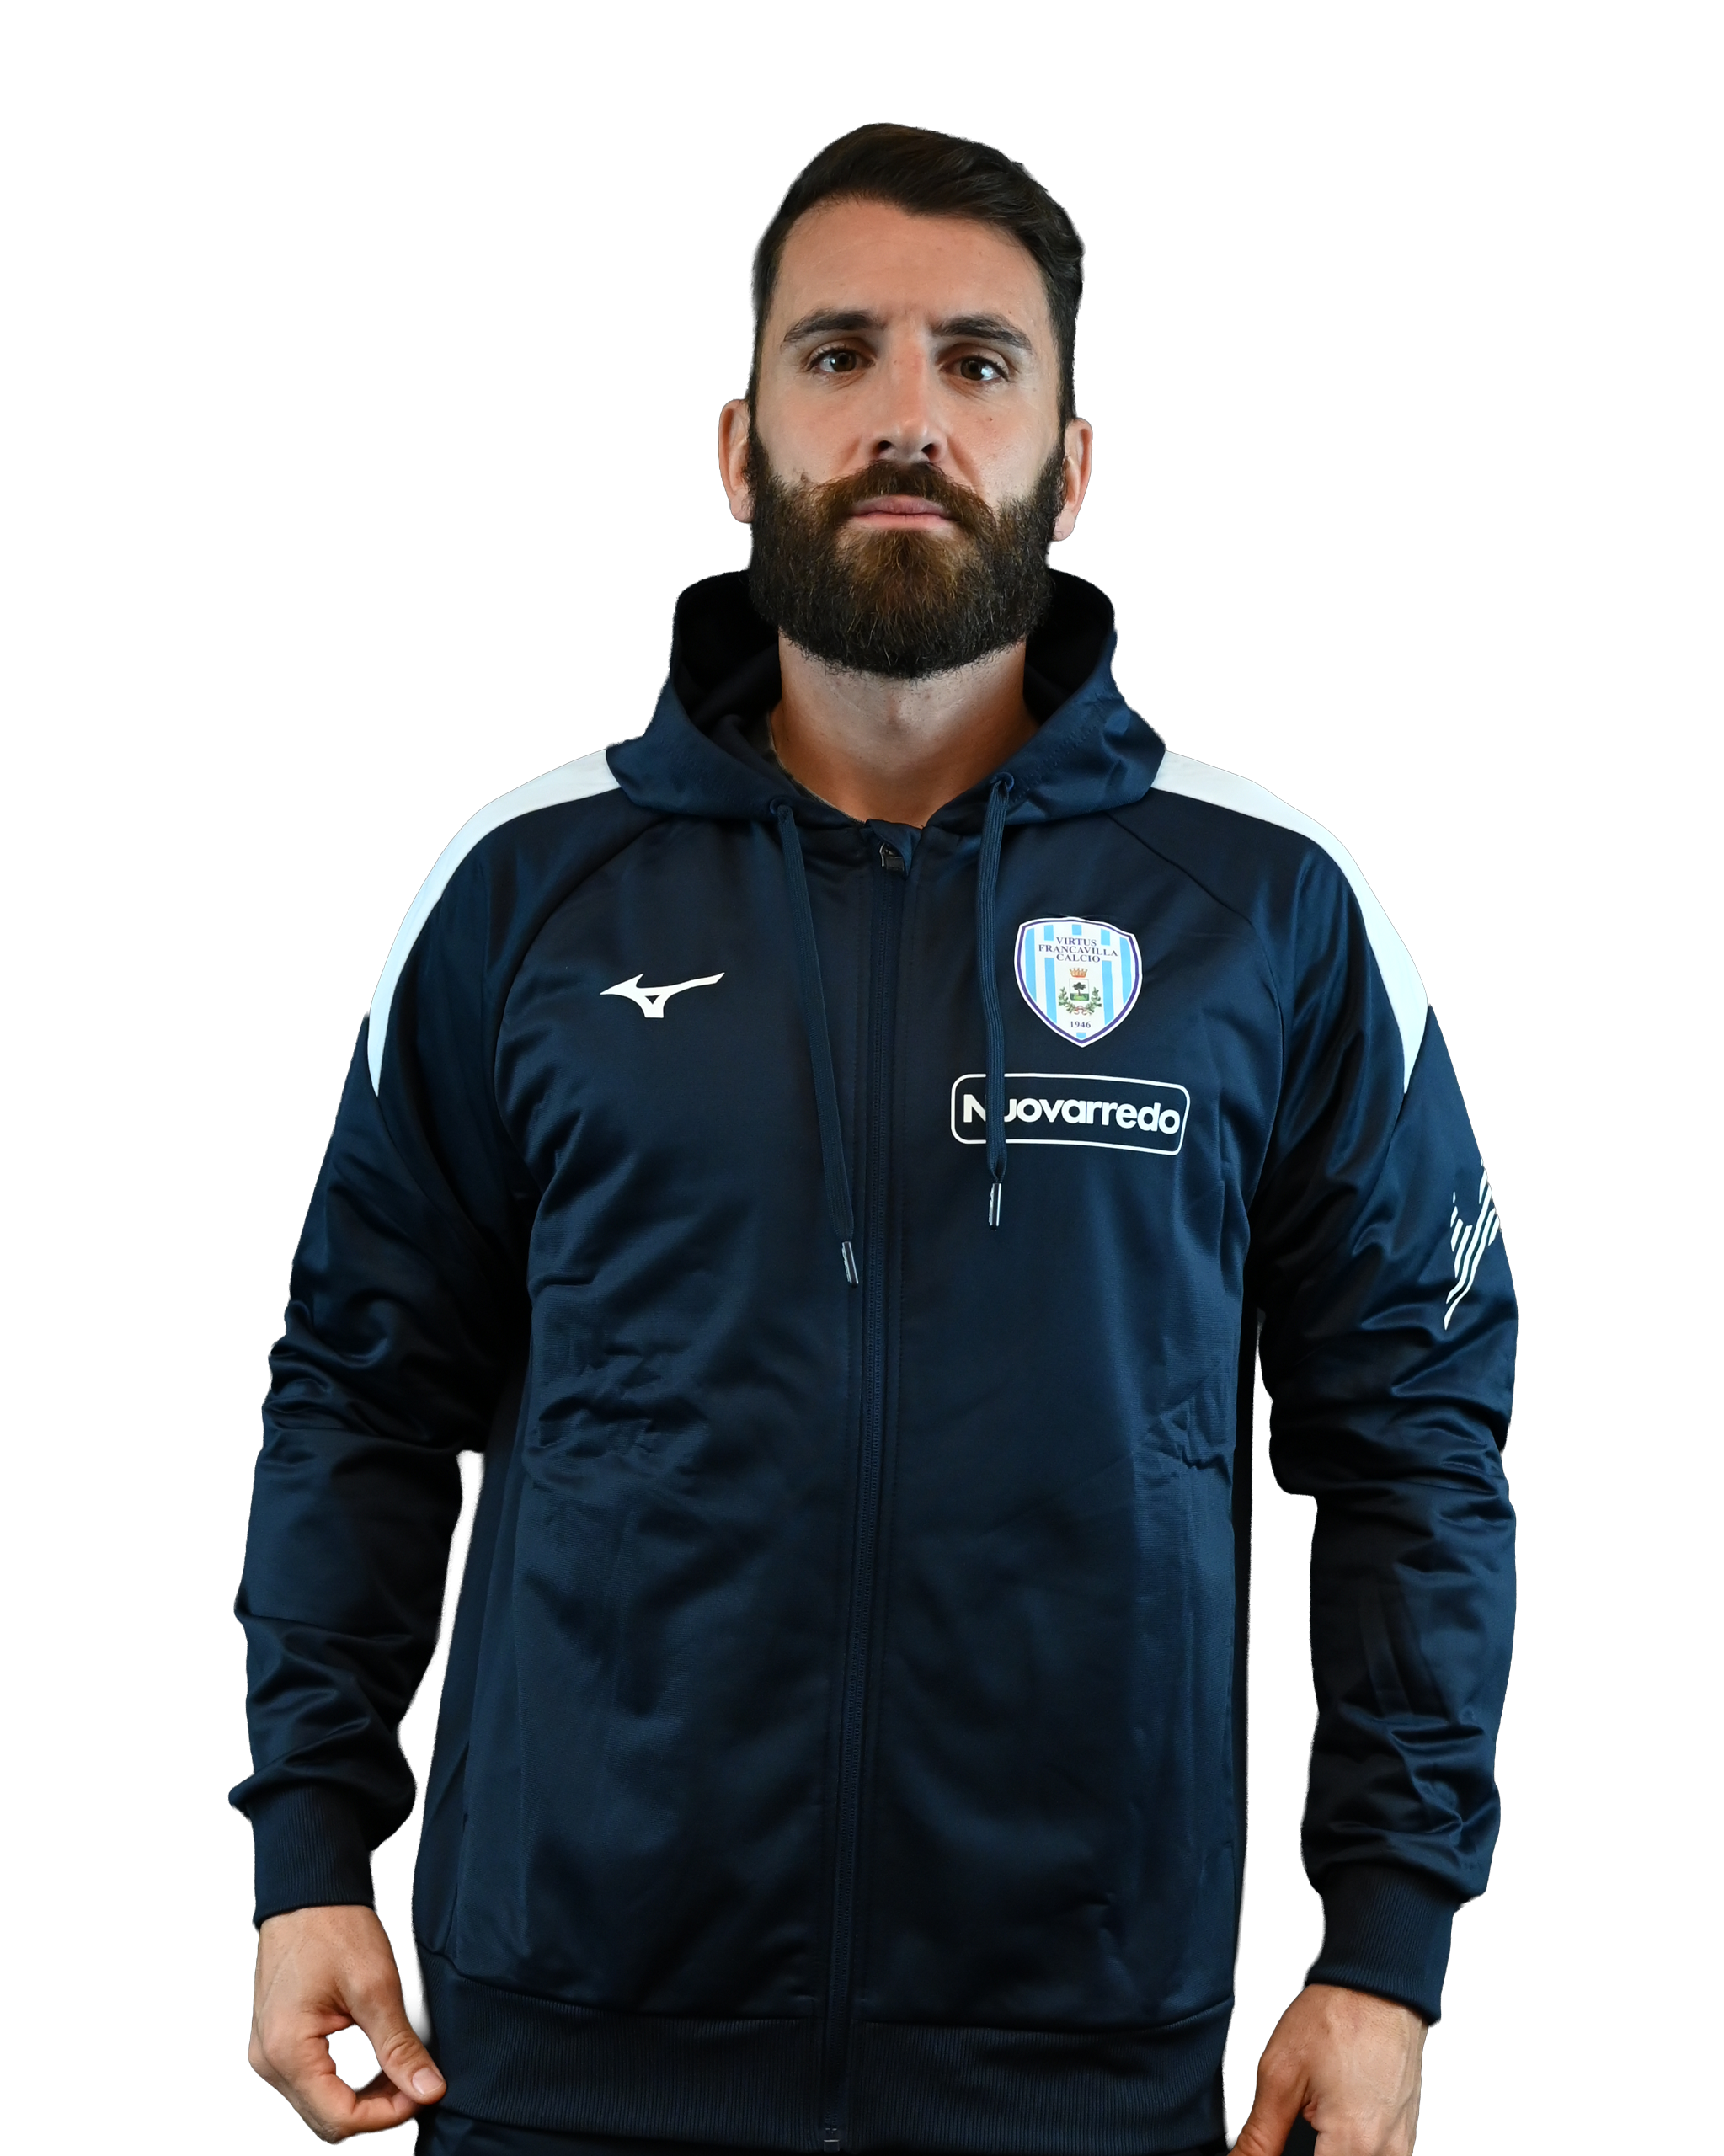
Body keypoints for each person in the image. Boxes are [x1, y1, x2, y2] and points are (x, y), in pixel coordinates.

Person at [235, 124, 1516, 2156]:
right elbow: (360, 1395)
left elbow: (1414, 1439)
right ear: (739, 444)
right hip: (571, 2059)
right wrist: (309, 1846)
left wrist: (1386, 1942)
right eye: (839, 355)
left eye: (978, 362)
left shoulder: (1264, 910)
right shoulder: (528, 894)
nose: (908, 416)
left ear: (1069, 464)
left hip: (1076, 2067)